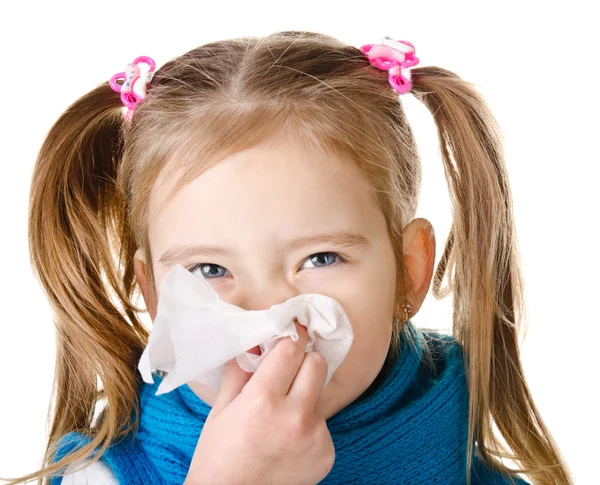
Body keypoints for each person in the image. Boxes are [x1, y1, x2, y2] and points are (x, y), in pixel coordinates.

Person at [8, 32, 573, 484]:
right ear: (153, 295)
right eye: (210, 270)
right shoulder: (100, 475)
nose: (273, 315)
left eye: (321, 258)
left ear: (409, 273)